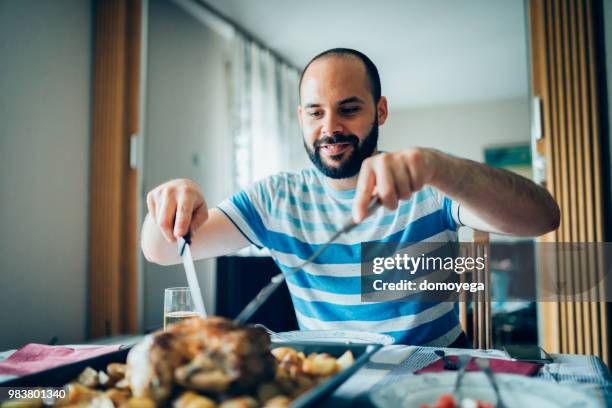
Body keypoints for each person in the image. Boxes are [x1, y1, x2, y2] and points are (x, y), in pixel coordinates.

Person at [141, 48, 560, 347]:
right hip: (331, 382)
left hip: (437, 376)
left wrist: (443, 167)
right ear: (300, 117)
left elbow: (542, 218)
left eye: (349, 109)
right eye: (315, 112)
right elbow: (162, 251)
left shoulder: (430, 178)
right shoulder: (275, 198)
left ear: (379, 111)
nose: (330, 127)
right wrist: (172, 202)